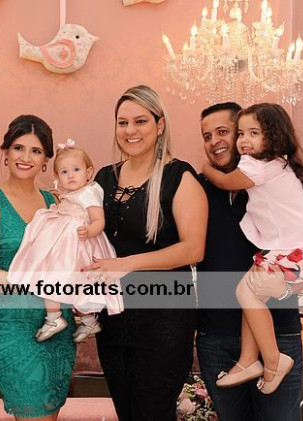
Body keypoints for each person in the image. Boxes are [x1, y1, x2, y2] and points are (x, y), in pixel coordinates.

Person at [85, 85, 207, 421]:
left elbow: (193, 249)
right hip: (114, 318)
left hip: (164, 319)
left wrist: (126, 264)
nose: (130, 131)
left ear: (160, 124)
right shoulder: (104, 178)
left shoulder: (179, 176)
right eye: (122, 122)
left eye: (140, 121)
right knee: (126, 411)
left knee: (153, 412)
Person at [201, 103, 303, 395]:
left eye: (253, 133)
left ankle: (273, 359)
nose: (244, 141)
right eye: (242, 134)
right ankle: (249, 360)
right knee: (253, 294)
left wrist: (205, 168)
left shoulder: (256, 166)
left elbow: (224, 181)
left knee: (245, 293)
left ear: (273, 136)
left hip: (295, 250)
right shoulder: (281, 164)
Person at [0, 114, 76, 420]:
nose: (25, 157)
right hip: (14, 329)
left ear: (46, 161)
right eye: (18, 148)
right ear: (6, 152)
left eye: (36, 151)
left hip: (58, 326)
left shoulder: (56, 202)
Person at [7, 140, 123, 343]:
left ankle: (70, 319)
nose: (70, 175)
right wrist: (62, 199)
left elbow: (99, 220)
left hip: (79, 243)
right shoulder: (72, 194)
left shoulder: (89, 192)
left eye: (76, 170)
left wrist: (90, 231)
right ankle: (69, 319)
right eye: (64, 172)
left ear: (88, 172)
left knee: (67, 280)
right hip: (66, 244)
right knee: (57, 278)